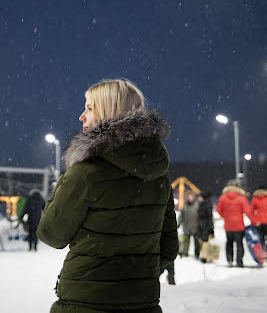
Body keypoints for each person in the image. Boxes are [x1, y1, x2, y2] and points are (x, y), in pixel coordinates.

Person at [37, 79, 178, 312]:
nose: (81, 116)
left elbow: (51, 233)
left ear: (108, 112)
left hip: (86, 303)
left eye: (89, 108)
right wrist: (132, 273)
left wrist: (70, 172)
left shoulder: (86, 171)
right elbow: (168, 248)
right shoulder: (159, 175)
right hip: (142, 302)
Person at [216, 179, 258, 268]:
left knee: (229, 243)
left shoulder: (223, 198)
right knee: (239, 244)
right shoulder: (241, 198)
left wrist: (226, 216)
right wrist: (254, 222)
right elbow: (248, 212)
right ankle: (239, 261)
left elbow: (219, 211)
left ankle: (230, 260)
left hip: (228, 226)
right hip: (239, 226)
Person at [177, 191, 200, 259]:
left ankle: (197, 254)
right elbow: (181, 216)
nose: (190, 198)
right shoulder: (185, 206)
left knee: (197, 242)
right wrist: (179, 223)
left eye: (191, 196)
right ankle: (185, 253)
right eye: (189, 196)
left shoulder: (197, 205)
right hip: (186, 227)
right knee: (186, 241)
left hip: (196, 227)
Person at [197, 191, 214, 263]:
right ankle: (206, 256)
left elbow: (210, 217)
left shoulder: (207, 205)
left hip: (205, 226)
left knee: (205, 241)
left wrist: (211, 229)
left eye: (200, 197)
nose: (198, 198)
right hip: (202, 225)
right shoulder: (202, 204)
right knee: (204, 241)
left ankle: (205, 257)